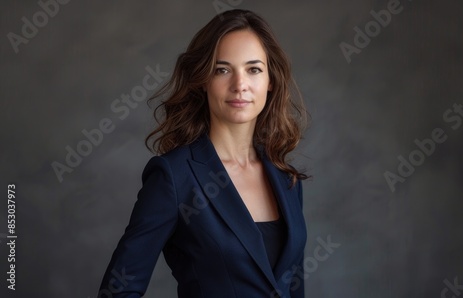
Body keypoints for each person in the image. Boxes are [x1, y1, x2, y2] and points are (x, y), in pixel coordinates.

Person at [98, 9, 309, 298]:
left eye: (254, 69)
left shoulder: (287, 180)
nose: (240, 85)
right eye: (222, 70)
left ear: (270, 81)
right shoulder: (174, 176)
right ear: (203, 80)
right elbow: (117, 291)